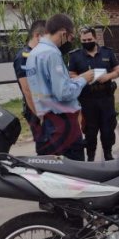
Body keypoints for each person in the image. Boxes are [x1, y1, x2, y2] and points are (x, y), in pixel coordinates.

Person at [24, 13, 94, 161]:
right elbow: (63, 93)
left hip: (47, 123)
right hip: (64, 125)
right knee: (76, 175)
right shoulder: (52, 54)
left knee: (55, 176)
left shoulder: (33, 54)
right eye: (71, 37)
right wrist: (83, 79)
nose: (69, 41)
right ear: (63, 33)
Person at [68, 27, 119, 161]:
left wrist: (108, 76)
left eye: (89, 39)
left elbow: (118, 71)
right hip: (87, 100)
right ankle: (90, 157)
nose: (87, 42)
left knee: (107, 129)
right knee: (90, 131)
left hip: (106, 98)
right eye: (84, 40)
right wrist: (83, 78)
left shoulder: (107, 53)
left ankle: (108, 154)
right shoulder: (75, 56)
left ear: (95, 38)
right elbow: (71, 75)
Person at [13, 19, 46, 154]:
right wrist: (39, 115)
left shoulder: (41, 54)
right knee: (44, 146)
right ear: (37, 35)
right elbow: (27, 90)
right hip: (35, 109)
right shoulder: (23, 57)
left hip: (47, 105)